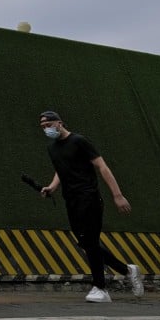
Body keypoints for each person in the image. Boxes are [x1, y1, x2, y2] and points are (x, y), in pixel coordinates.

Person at [37, 110, 144, 303]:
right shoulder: (52, 147)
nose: (47, 129)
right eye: (43, 127)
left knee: (91, 241)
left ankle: (100, 287)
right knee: (86, 242)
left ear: (59, 123)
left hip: (89, 197)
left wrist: (117, 195)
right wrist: (52, 187)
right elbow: (61, 169)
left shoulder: (79, 141)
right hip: (70, 199)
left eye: (49, 125)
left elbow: (102, 166)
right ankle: (127, 270)